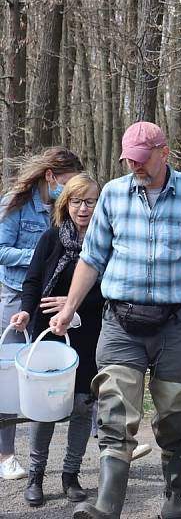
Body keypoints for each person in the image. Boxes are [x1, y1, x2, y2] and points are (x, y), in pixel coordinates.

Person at [48, 121, 181, 519]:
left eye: (142, 160)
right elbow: (92, 258)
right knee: (115, 413)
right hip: (121, 322)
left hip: (174, 324)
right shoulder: (113, 196)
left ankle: (173, 498)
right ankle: (107, 506)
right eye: (129, 160)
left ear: (164, 153)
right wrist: (69, 307)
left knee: (174, 417)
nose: (135, 167)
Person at [9, 174, 103, 506]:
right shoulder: (51, 238)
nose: (83, 208)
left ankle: (71, 475)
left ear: (99, 204)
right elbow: (33, 281)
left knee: (81, 404)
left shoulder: (105, 241)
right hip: (46, 332)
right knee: (44, 406)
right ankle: (36, 476)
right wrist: (24, 311)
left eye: (90, 201)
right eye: (76, 201)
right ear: (66, 204)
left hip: (89, 331)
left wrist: (74, 302)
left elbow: (111, 292)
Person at [0, 147, 83, 481]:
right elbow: (1, 251)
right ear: (51, 176)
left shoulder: (65, 208)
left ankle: (106, 438)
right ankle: (6, 454)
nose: (72, 189)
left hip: (53, 298)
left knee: (66, 365)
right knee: (8, 377)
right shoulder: (15, 203)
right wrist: (40, 253)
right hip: (16, 293)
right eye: (67, 181)